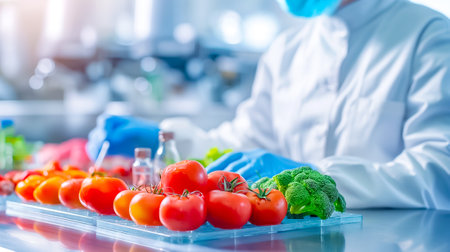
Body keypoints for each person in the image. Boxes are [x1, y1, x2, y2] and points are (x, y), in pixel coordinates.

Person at [87, 0, 450, 210]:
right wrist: (168, 142)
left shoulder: (430, 37)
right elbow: (244, 141)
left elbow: (439, 173)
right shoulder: (288, 49)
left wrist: (318, 177)